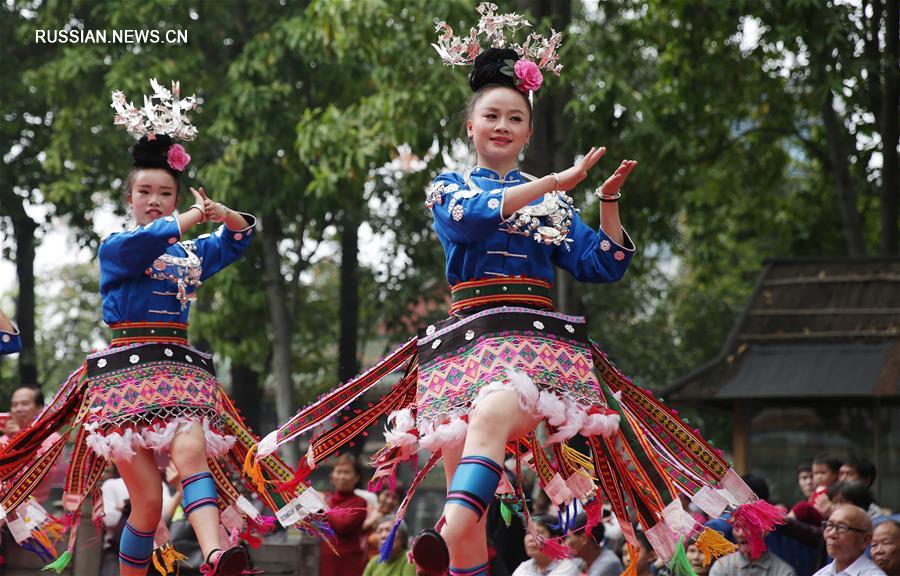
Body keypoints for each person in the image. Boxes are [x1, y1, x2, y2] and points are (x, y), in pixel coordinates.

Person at [254, 6, 775, 576]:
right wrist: (553, 182)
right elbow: (470, 220)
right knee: (469, 533)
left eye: (515, 118)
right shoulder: (451, 186)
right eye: (492, 116)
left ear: (527, 132)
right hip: (460, 350)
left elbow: (600, 265)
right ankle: (452, 542)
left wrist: (605, 204)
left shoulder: (551, 201)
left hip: (534, 347)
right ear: (470, 128)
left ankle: (439, 533)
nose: (503, 126)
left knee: (495, 412)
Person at [0, 80, 322, 576]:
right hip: (123, 378)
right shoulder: (116, 246)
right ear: (128, 197)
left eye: (165, 193)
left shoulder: (190, 253)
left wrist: (221, 213)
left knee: (192, 451)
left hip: (179, 371)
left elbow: (238, 238)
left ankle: (216, 554)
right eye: (145, 192)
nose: (155, 200)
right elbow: (150, 240)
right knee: (147, 506)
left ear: (175, 197)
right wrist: (193, 215)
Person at [320, 454, 368, 576]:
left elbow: (343, 526)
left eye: (347, 472)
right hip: (326, 562)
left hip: (349, 565)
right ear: (332, 477)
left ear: (356, 478)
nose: (342, 477)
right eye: (339, 472)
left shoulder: (359, 502)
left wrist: (324, 507)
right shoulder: (327, 500)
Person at [812, 505, 885, 576]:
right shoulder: (822, 573)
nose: (831, 534)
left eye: (842, 528)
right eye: (830, 525)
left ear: (865, 540)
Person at [708, 527, 796, 576]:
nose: (740, 533)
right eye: (737, 526)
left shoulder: (784, 572)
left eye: (747, 526)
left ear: (764, 531)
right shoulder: (722, 567)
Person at [512, 517, 580, 576]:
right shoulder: (523, 567)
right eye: (528, 533)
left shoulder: (567, 567)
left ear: (555, 540)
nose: (530, 538)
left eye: (538, 533)